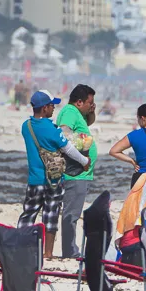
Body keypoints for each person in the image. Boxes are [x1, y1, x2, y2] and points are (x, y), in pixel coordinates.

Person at [18, 90, 90, 259]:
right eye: (52, 105)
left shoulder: (26, 127)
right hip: (54, 180)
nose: (54, 109)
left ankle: (21, 248)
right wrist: (84, 161)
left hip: (34, 180)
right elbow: (68, 149)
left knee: (28, 213)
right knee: (50, 215)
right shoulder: (51, 129)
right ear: (44, 108)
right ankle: (48, 253)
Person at [56, 84, 97, 259]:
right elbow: (64, 134)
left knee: (73, 213)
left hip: (81, 172)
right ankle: (70, 251)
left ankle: (70, 249)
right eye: (90, 103)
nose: (91, 105)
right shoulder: (70, 112)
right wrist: (83, 154)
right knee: (71, 214)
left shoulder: (76, 113)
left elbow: (87, 122)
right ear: (79, 102)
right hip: (76, 172)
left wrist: (92, 112)